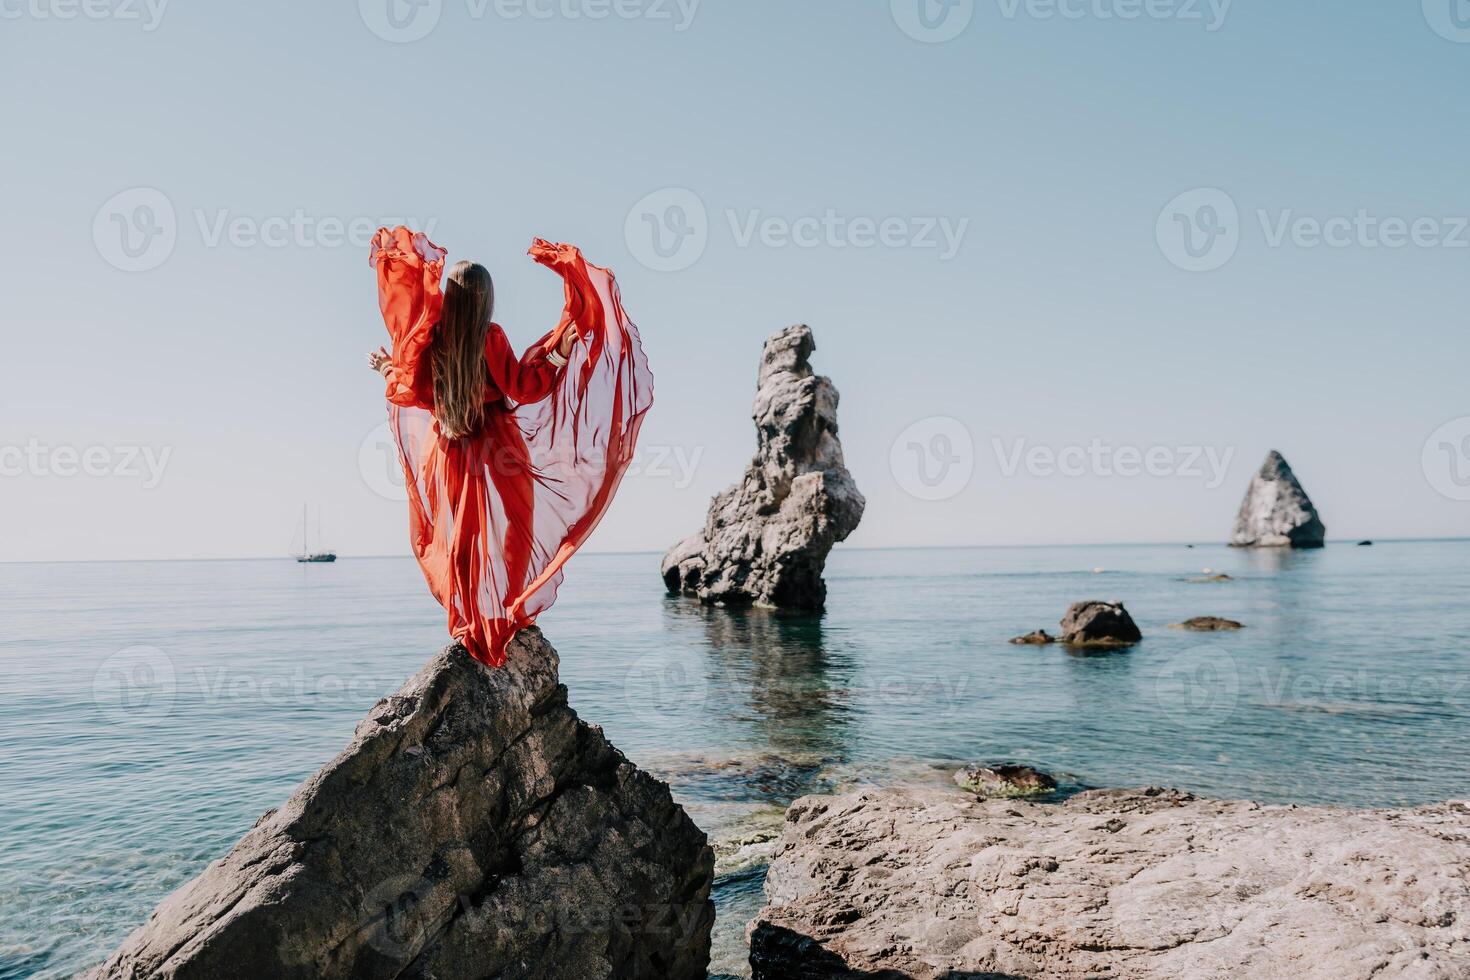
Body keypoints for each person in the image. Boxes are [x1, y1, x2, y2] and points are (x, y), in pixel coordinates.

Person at [368, 226, 652, 666]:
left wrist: (389, 367)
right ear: (484, 298)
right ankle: (512, 610)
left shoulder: (433, 339)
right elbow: (523, 385)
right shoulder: (491, 336)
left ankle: (466, 617)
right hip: (498, 442)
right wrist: (558, 353)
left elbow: (420, 393)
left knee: (461, 536)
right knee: (517, 528)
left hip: (451, 448)